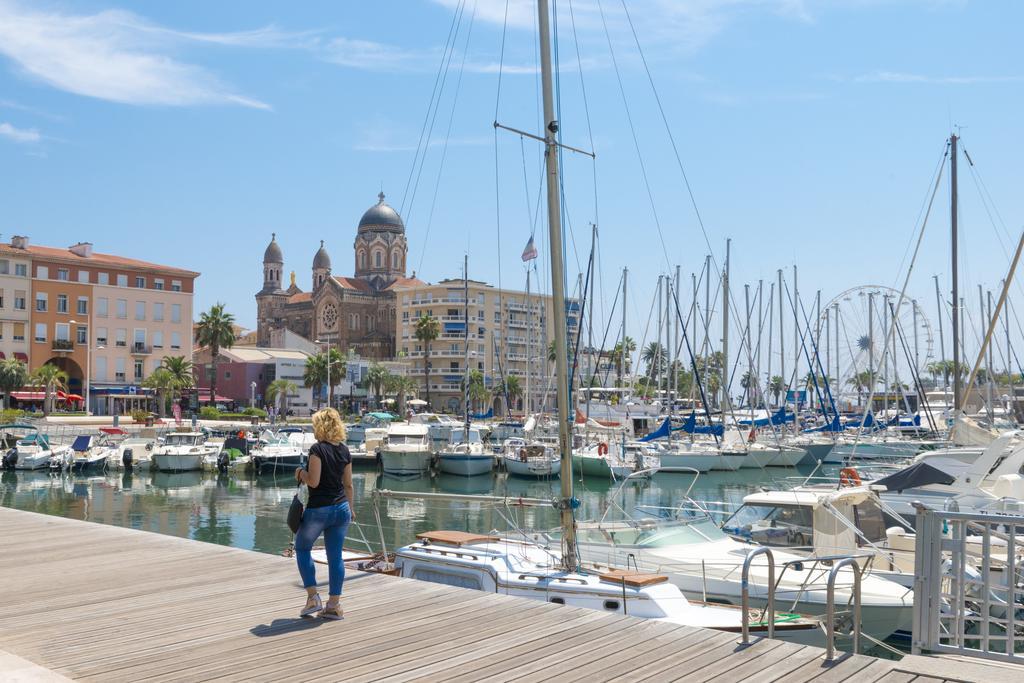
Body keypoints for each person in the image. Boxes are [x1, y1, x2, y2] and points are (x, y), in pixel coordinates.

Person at [294, 407, 355, 619]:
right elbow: (348, 485)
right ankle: (334, 605)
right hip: (341, 509)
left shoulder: (317, 450)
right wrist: (351, 508)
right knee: (335, 556)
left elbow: (314, 481)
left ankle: (313, 598)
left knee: (302, 548)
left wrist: (300, 473)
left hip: (319, 509)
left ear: (320, 426)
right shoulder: (345, 451)